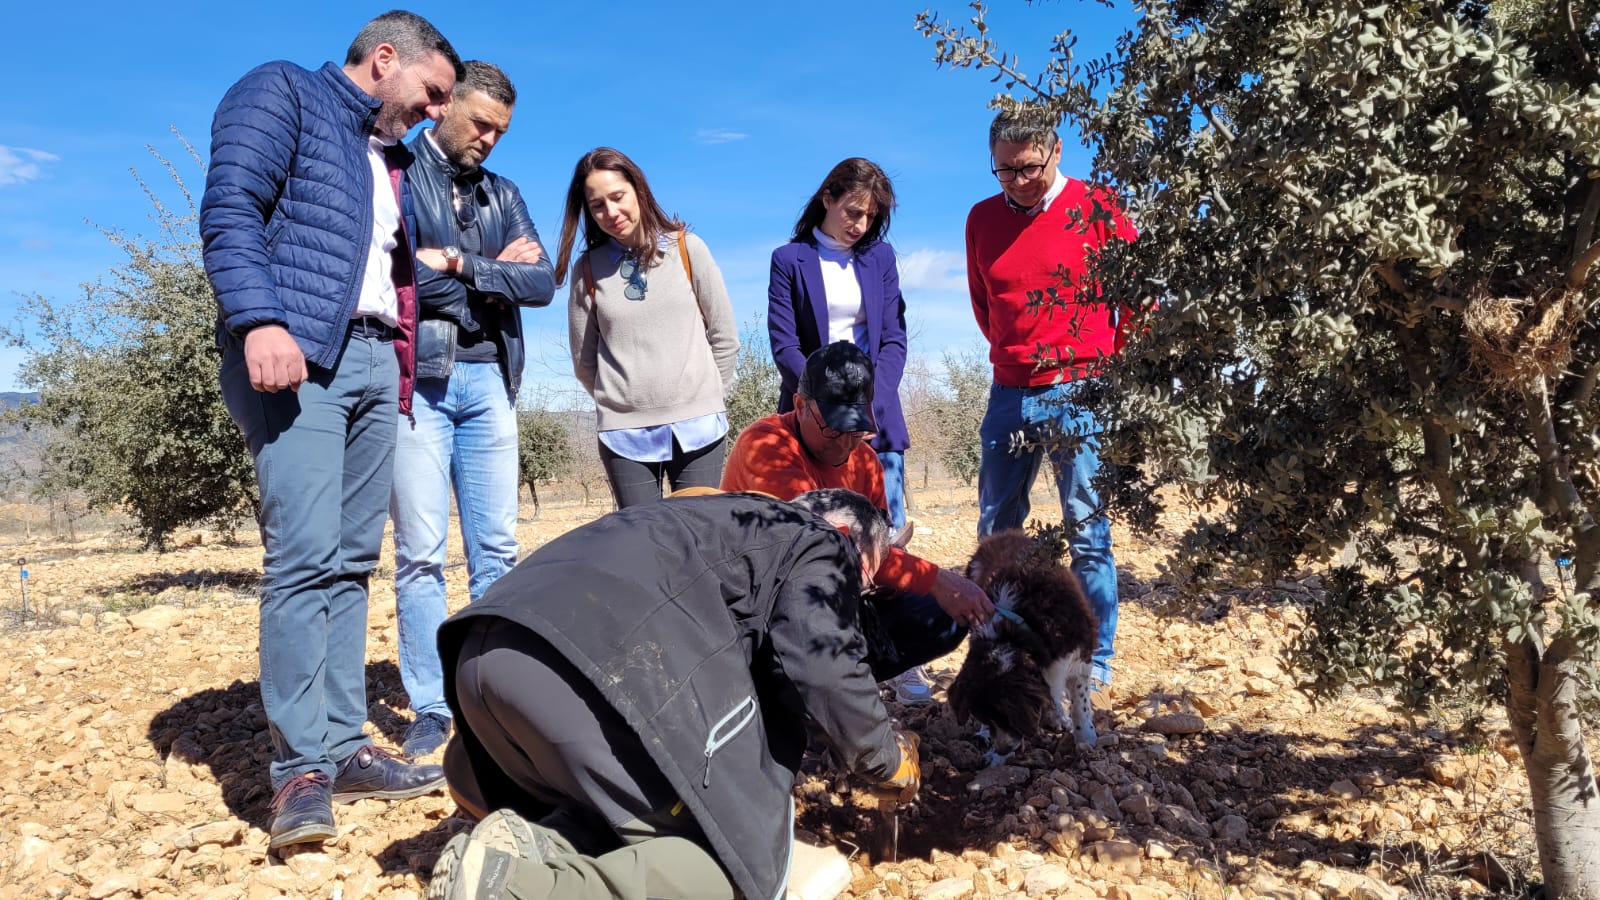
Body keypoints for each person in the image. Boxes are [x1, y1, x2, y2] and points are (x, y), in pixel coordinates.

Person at [201, 10, 462, 850]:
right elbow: (231, 205)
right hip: (297, 352)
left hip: (374, 359)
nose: (433, 113)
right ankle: (299, 772)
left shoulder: (390, 157)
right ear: (385, 59)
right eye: (431, 93)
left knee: (353, 562)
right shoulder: (282, 91)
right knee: (305, 559)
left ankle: (345, 748)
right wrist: (257, 319)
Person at [424, 489, 921, 900]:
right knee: (732, 866)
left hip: (479, 659)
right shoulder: (817, 541)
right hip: (584, 675)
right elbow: (824, 666)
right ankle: (515, 887)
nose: (856, 599)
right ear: (850, 542)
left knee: (627, 816)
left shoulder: (706, 516)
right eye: (866, 583)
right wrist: (886, 759)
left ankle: (529, 846)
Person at [391, 60, 557, 761]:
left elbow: (543, 281)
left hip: (491, 382)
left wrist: (459, 265)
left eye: (501, 130)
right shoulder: (397, 173)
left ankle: (491, 692)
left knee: (497, 552)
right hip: (422, 380)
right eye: (481, 123)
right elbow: (400, 280)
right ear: (445, 106)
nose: (490, 139)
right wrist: (493, 277)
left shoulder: (505, 193)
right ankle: (431, 704)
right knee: (421, 555)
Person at [964, 106, 1138, 688]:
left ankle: (1095, 661)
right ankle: (1001, 644)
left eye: (1029, 167)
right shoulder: (981, 220)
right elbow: (985, 306)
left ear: (1057, 151)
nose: (1017, 181)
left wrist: (1113, 363)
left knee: (1087, 530)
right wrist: (1016, 356)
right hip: (1009, 390)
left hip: (1082, 389)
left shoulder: (1099, 207)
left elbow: (1136, 295)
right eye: (1004, 171)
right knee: (997, 528)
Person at [721, 342, 994, 702]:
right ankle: (788, 691)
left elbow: (874, 552)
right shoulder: (766, 445)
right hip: (765, 610)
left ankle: (836, 687)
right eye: (833, 429)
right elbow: (817, 548)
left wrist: (895, 577)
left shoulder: (865, 461)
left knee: (944, 615)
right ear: (800, 406)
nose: (844, 444)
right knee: (938, 590)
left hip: (837, 599)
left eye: (855, 430)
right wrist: (933, 577)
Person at [554, 147, 739, 508]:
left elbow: (724, 337)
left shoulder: (688, 250)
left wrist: (707, 396)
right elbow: (584, 361)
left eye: (618, 197)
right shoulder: (588, 270)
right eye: (597, 205)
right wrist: (625, 402)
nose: (611, 212)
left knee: (699, 538)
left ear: (638, 190)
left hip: (700, 427)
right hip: (623, 435)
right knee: (642, 545)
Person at [768, 158, 911, 531]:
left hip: (876, 422)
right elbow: (785, 346)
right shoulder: (788, 260)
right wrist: (826, 411)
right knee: (809, 538)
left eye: (870, 217)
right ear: (828, 198)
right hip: (811, 426)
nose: (861, 225)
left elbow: (894, 340)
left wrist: (868, 410)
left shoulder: (880, 258)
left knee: (886, 539)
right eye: (853, 212)